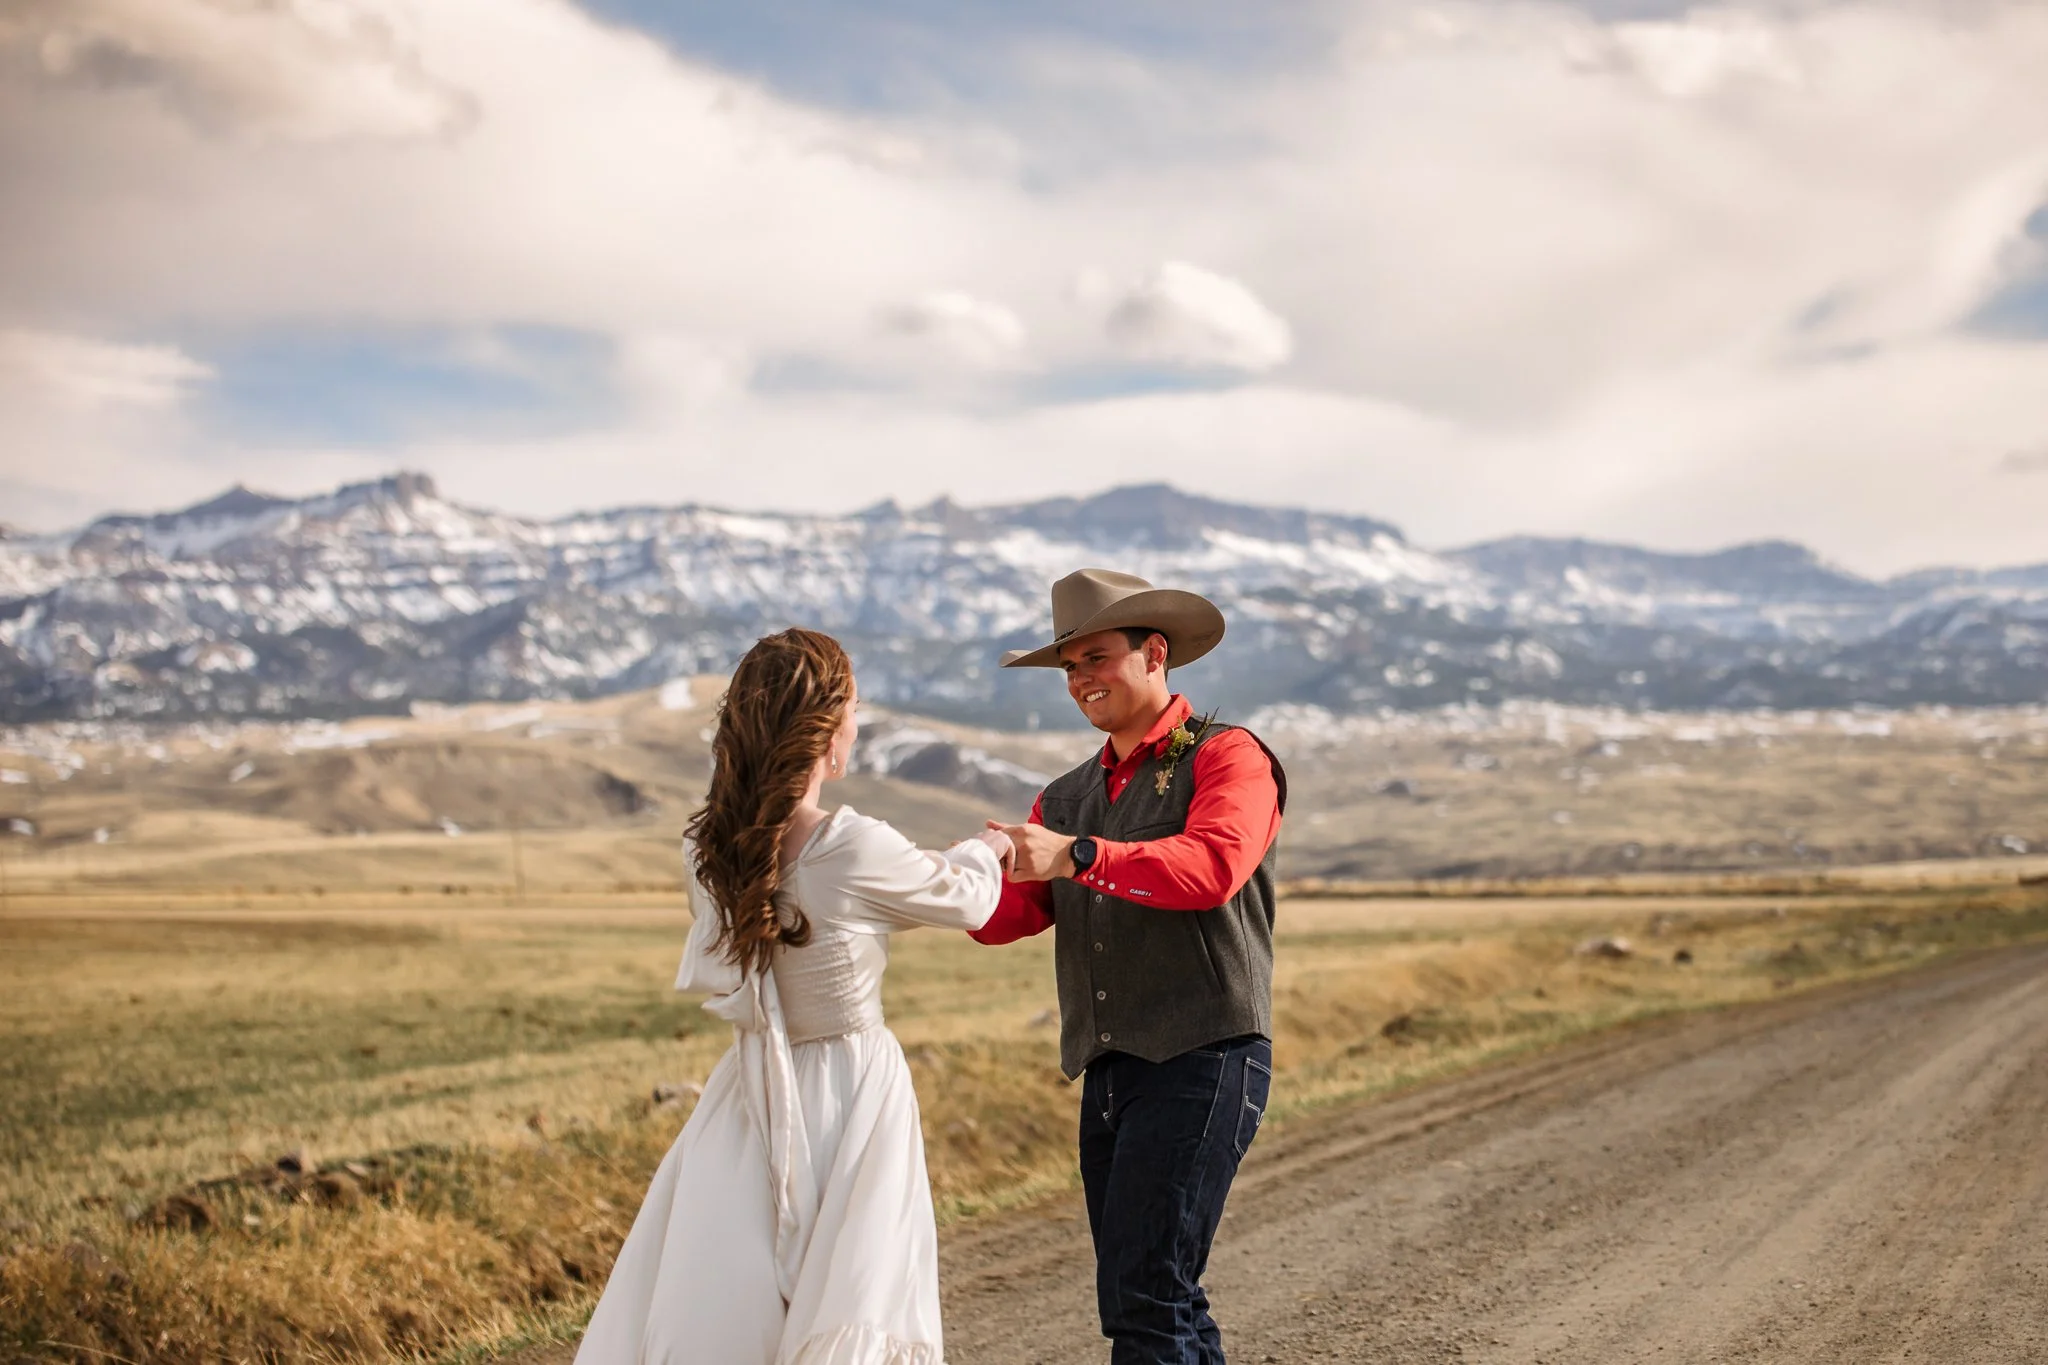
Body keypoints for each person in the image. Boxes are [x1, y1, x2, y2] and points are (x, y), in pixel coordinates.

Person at [575, 627, 1014, 1365]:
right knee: (857, 1283)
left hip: (748, 1091)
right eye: (852, 715)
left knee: (728, 1290)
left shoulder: (709, 848)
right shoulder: (848, 843)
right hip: (850, 1087)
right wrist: (991, 848)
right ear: (827, 730)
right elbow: (965, 899)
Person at [976, 568, 1286, 1365]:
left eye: (1097, 657)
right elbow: (1014, 916)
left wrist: (1076, 855)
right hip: (1109, 1070)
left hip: (1205, 1054)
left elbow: (1211, 866)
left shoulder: (1231, 757)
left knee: (1146, 1294)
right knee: (1155, 1292)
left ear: (1156, 653)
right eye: (1070, 665)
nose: (1081, 680)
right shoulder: (1064, 794)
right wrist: (951, 882)